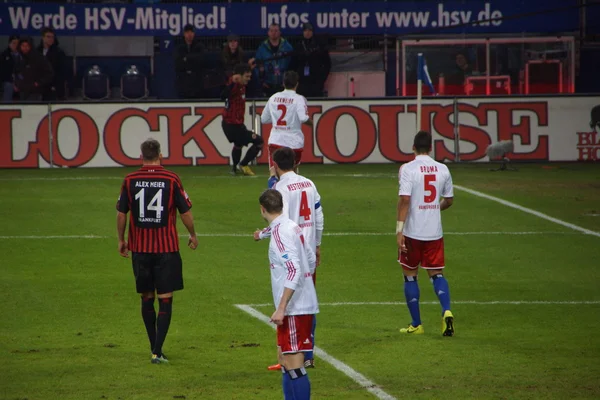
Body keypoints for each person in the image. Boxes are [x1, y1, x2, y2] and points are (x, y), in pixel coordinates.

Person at [116, 138, 199, 364]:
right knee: (165, 299)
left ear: (141, 156)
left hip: (140, 250)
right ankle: (157, 351)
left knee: (146, 297)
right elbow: (184, 211)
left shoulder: (129, 179)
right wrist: (192, 233)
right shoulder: (171, 179)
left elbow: (122, 213)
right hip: (166, 249)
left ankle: (154, 348)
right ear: (160, 155)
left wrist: (121, 240)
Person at [254, 147, 324, 369]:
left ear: (274, 164)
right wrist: (318, 243)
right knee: (306, 300)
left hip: (291, 248)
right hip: (308, 248)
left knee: (290, 304)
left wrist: (262, 234)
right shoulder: (309, 183)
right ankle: (306, 353)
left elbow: (279, 220)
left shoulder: (279, 188)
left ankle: (291, 354)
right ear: (295, 163)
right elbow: (319, 215)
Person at [258, 189, 317, 400]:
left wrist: (282, 308)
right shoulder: (293, 226)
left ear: (262, 209)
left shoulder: (280, 234)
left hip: (293, 309)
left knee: (294, 365)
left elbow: (294, 269)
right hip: (299, 304)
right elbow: (310, 259)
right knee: (285, 363)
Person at [396, 130, 454, 336]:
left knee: (410, 276)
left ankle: (416, 324)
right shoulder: (443, 169)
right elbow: (449, 200)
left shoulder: (407, 169)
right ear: (431, 148)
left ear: (413, 147)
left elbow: (404, 199)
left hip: (412, 231)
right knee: (436, 274)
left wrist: (399, 230)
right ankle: (446, 310)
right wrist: (435, 208)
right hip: (434, 233)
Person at [260, 71, 313, 169]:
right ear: (297, 84)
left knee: (274, 173)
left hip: (276, 140)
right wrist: (312, 123)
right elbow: (303, 118)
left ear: (283, 83)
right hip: (294, 142)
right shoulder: (299, 99)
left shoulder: (273, 97)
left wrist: (277, 120)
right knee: (292, 174)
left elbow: (264, 119)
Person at [221, 63, 264, 176]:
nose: (249, 79)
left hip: (235, 124)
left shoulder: (241, 86)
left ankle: (234, 169)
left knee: (238, 144)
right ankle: (243, 164)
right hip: (232, 125)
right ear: (238, 76)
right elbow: (223, 95)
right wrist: (232, 83)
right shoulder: (233, 85)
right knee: (259, 141)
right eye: (247, 76)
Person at [291, 22, 331, 98]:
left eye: (310, 30)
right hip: (301, 83)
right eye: (305, 30)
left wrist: (321, 80)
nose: (307, 32)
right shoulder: (298, 46)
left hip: (315, 83)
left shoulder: (319, 46)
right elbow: (293, 65)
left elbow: (327, 64)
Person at [255, 23, 294, 97]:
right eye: (271, 31)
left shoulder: (287, 47)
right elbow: (257, 66)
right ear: (268, 32)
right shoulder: (262, 48)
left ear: (280, 32)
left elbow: (292, 65)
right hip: (267, 85)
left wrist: (288, 81)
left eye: (276, 31)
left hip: (283, 85)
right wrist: (261, 81)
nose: (273, 33)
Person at [14, 36, 53, 101]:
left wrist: (38, 83)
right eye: (23, 46)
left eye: (27, 46)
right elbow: (16, 72)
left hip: (35, 92)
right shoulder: (19, 57)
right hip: (22, 92)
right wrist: (16, 84)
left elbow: (49, 73)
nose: (25, 48)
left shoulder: (39, 58)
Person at [174, 24, 205, 99]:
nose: (189, 34)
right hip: (183, 83)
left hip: (197, 82)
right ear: (184, 34)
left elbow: (201, 60)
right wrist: (192, 58)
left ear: (194, 33)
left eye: (191, 32)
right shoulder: (179, 47)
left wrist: (187, 58)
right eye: (187, 32)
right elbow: (178, 64)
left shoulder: (199, 46)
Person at [38, 27, 66, 101]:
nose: (50, 39)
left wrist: (55, 86)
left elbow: (61, 72)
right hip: (39, 86)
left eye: (52, 37)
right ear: (43, 38)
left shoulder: (59, 53)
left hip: (53, 87)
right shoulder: (37, 52)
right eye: (48, 37)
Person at [0, 35, 20, 102]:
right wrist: (13, 83)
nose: (16, 45)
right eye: (14, 43)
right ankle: (7, 106)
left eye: (17, 43)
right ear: (9, 43)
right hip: (8, 81)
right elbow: (3, 73)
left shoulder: (22, 56)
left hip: (20, 80)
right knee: (8, 86)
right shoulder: (4, 55)